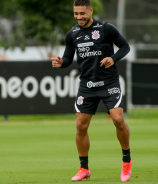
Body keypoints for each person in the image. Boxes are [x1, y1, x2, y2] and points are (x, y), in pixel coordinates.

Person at [51, 0, 132, 182]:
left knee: (118, 120)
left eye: (82, 13)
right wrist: (61, 63)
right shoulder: (72, 34)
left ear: (90, 11)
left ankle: (126, 161)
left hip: (109, 82)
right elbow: (67, 58)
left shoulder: (106, 29)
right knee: (81, 126)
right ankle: (84, 168)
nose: (79, 17)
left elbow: (125, 47)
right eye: (76, 14)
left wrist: (113, 58)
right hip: (87, 85)